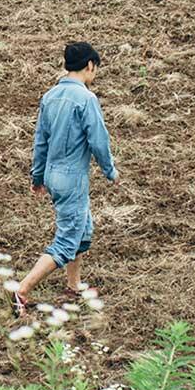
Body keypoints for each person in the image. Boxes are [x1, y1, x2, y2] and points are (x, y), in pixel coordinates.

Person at [14, 41, 118, 316]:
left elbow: (40, 142)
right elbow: (98, 140)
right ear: (90, 65)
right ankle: (22, 290)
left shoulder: (50, 96)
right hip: (73, 178)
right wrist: (109, 170)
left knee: (82, 231)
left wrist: (37, 176)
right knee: (67, 239)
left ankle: (74, 285)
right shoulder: (86, 99)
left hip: (53, 174)